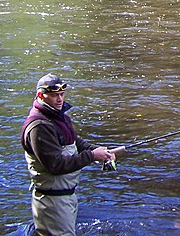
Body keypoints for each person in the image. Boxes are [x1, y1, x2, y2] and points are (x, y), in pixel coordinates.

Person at [20, 73, 116, 236]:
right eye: (54, 95)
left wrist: (100, 152)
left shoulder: (58, 117)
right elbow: (55, 165)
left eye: (62, 94)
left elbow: (75, 142)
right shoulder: (39, 126)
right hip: (52, 202)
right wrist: (92, 156)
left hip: (65, 197)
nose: (59, 99)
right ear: (41, 96)